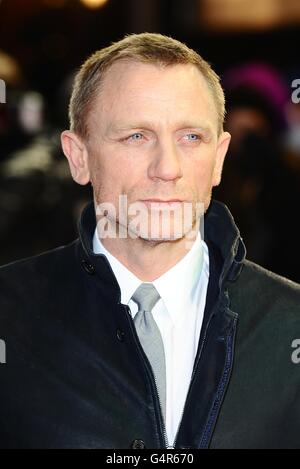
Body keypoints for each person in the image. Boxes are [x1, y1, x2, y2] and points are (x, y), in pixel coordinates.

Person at [0, 33, 299, 450]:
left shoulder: (289, 325)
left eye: (191, 137)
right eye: (136, 136)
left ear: (219, 158)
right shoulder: (9, 315)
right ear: (78, 156)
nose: (167, 168)